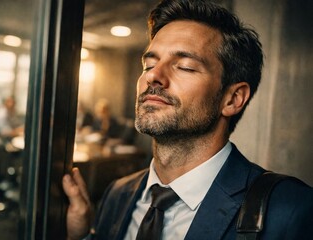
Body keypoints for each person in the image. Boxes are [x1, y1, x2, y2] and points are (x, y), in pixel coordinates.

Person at [62, 0, 313, 239]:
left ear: (233, 98)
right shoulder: (117, 194)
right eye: (149, 66)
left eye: (185, 67)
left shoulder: (291, 211)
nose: (153, 77)